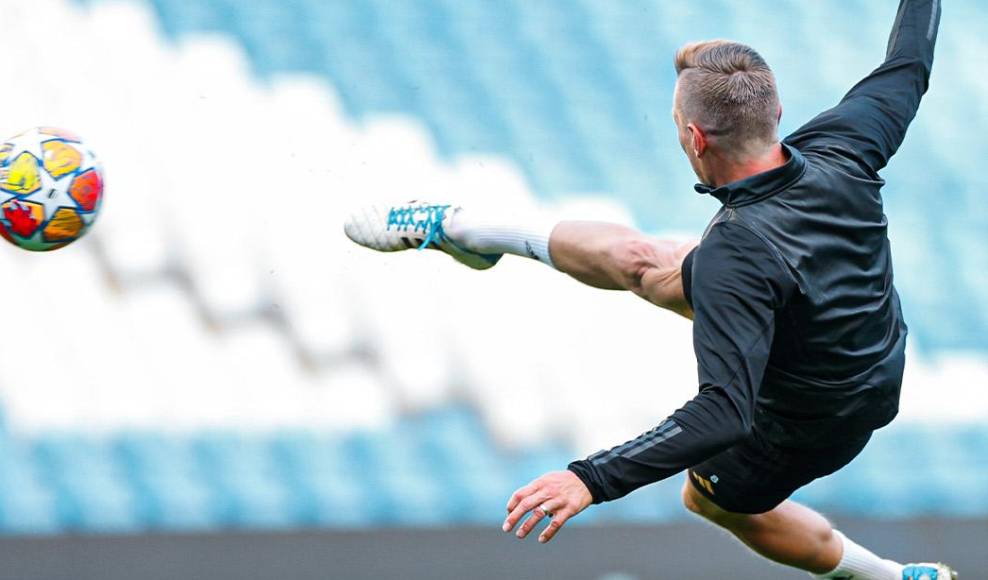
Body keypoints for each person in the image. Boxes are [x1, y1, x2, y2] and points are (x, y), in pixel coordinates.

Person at [344, 1, 954, 578]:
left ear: (695, 138)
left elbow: (724, 413)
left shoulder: (733, 258)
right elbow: (908, 65)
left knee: (708, 498)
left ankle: (890, 576)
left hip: (821, 413)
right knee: (645, 262)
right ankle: (464, 230)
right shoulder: (844, 148)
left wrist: (591, 478)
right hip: (843, 330)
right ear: (777, 112)